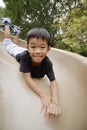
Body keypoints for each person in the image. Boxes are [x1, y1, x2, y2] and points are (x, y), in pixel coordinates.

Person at [1, 17, 62, 118]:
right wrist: (43, 95)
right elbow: (28, 78)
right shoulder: (25, 57)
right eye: (33, 47)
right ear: (28, 47)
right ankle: (7, 24)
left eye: (42, 47)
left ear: (48, 49)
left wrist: (55, 102)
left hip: (25, 51)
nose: (38, 51)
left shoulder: (48, 63)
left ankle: (16, 32)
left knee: (16, 45)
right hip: (17, 52)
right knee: (7, 43)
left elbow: (53, 82)